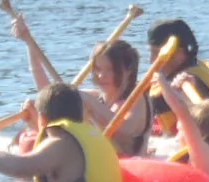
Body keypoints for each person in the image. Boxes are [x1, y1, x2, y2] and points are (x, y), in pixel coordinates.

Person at [9, 15, 150, 158]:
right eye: (98, 69)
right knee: (37, 105)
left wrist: (88, 101)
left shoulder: (136, 99)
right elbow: (47, 94)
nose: (101, 76)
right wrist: (29, 42)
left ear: (129, 70)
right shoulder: (96, 98)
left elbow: (126, 129)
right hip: (99, 163)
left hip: (130, 166)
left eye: (110, 70)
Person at [144, 19, 209, 140]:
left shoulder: (192, 82)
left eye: (156, 53)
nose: (151, 61)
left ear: (179, 53)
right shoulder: (198, 65)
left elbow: (152, 104)